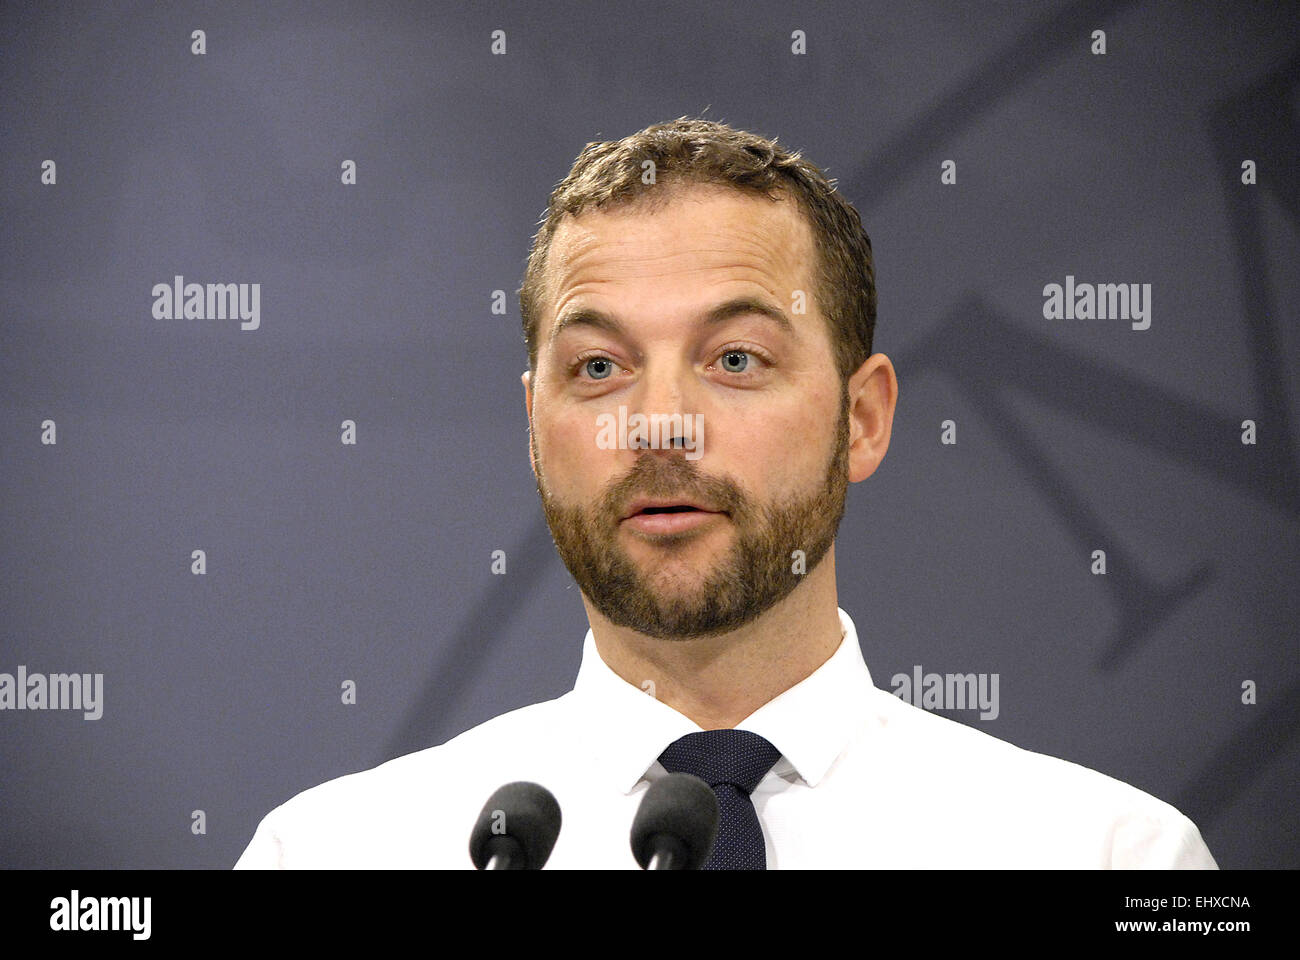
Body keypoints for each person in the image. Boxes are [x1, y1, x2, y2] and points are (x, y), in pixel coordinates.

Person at [234, 118, 1217, 869]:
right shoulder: (333, 853)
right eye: (597, 369)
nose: (659, 423)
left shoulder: (1106, 855)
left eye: (736, 358)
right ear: (534, 430)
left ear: (863, 418)